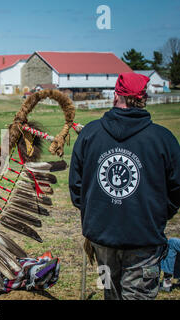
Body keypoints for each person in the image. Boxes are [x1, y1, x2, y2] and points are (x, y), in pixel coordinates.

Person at [69, 72, 180, 300]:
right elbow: (176, 191)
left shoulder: (90, 133)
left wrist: (96, 214)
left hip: (107, 237)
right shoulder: (164, 139)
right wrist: (157, 214)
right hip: (138, 238)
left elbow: (77, 188)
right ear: (143, 98)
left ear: (116, 96)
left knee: (112, 294)